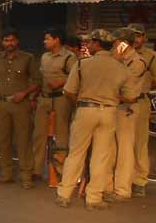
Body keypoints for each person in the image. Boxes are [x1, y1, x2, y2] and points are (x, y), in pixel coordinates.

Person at [56, 29, 135, 210]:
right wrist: (111, 97)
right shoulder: (121, 67)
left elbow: (69, 91)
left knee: (76, 153)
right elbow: (131, 97)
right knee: (101, 156)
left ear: (97, 44)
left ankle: (64, 194)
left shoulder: (83, 64)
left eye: (90, 42)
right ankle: (94, 199)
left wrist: (82, 102)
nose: (88, 45)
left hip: (85, 111)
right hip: (109, 113)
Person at [0, 29, 39, 185]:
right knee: (3, 141)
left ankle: (26, 177)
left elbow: (38, 81)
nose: (9, 43)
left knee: (23, 140)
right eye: (6, 40)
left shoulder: (28, 58)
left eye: (12, 40)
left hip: (21, 105)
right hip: (2, 104)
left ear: (17, 41)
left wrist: (24, 93)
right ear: (2, 42)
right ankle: (6, 174)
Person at [31, 27, 77, 183]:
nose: (45, 41)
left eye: (47, 38)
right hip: (44, 99)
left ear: (56, 40)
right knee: (39, 135)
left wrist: (61, 82)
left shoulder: (69, 57)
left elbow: (76, 76)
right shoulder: (44, 57)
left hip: (61, 99)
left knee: (61, 135)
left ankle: (60, 171)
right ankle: (36, 170)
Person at [107, 28, 147, 202]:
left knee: (125, 149)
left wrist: (116, 60)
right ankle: (109, 186)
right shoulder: (114, 57)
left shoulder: (137, 62)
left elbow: (121, 81)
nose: (113, 45)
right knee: (110, 149)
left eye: (116, 42)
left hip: (127, 108)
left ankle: (123, 189)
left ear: (124, 43)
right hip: (112, 106)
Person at [128, 23, 156, 197]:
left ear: (144, 38)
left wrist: (143, 87)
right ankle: (120, 180)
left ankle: (139, 181)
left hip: (140, 102)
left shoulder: (151, 56)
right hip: (118, 103)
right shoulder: (118, 54)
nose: (135, 39)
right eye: (131, 35)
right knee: (117, 143)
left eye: (138, 35)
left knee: (139, 143)